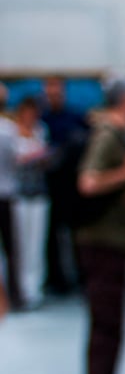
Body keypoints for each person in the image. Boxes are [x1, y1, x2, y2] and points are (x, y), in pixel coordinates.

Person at [76, 73, 125, 374]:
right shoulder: (109, 135)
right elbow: (89, 183)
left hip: (110, 245)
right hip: (104, 244)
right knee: (106, 324)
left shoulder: (114, 134)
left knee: (108, 323)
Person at [41, 77, 90, 296]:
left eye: (57, 91)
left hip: (73, 187)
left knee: (76, 235)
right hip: (49, 186)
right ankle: (56, 280)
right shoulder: (42, 119)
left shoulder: (75, 118)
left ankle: (80, 278)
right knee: (51, 236)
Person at [13, 97, 51, 310]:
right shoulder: (11, 133)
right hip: (18, 194)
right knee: (19, 243)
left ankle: (34, 287)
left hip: (38, 193)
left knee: (36, 242)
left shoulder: (40, 131)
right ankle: (19, 288)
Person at [0, 84, 23, 312]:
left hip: (6, 193)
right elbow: (17, 158)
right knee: (11, 250)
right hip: (6, 196)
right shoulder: (8, 129)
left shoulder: (8, 128)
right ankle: (14, 297)